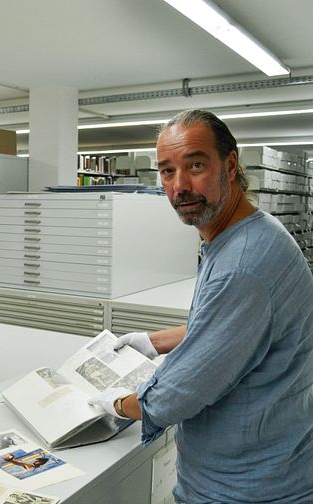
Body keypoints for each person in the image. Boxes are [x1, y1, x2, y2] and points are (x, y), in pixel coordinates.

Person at [88, 109, 313, 503]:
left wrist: (117, 404)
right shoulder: (248, 233)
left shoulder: (243, 264)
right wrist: (153, 341)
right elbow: (231, 329)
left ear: (230, 165)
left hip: (246, 488)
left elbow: (178, 395)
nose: (180, 186)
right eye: (167, 171)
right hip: (266, 467)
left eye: (195, 165)